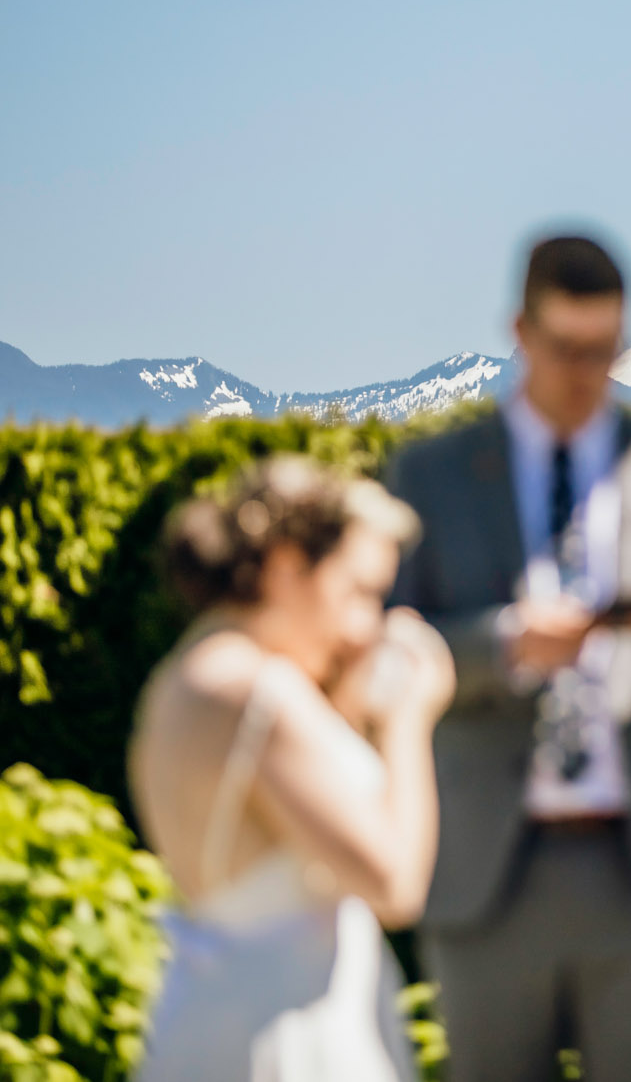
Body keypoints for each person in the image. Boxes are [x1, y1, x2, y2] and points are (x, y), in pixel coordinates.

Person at [385, 233, 631, 1082]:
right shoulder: (431, 472)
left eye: (605, 349)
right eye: (566, 349)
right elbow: (386, 648)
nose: (588, 371)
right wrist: (502, 642)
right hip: (489, 873)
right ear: (519, 329)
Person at [130, 455, 455, 1082]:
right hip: (286, 1038)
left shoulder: (193, 674)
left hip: (218, 1011)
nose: (364, 626)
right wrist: (409, 719)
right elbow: (395, 885)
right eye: (354, 593)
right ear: (285, 567)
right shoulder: (258, 695)